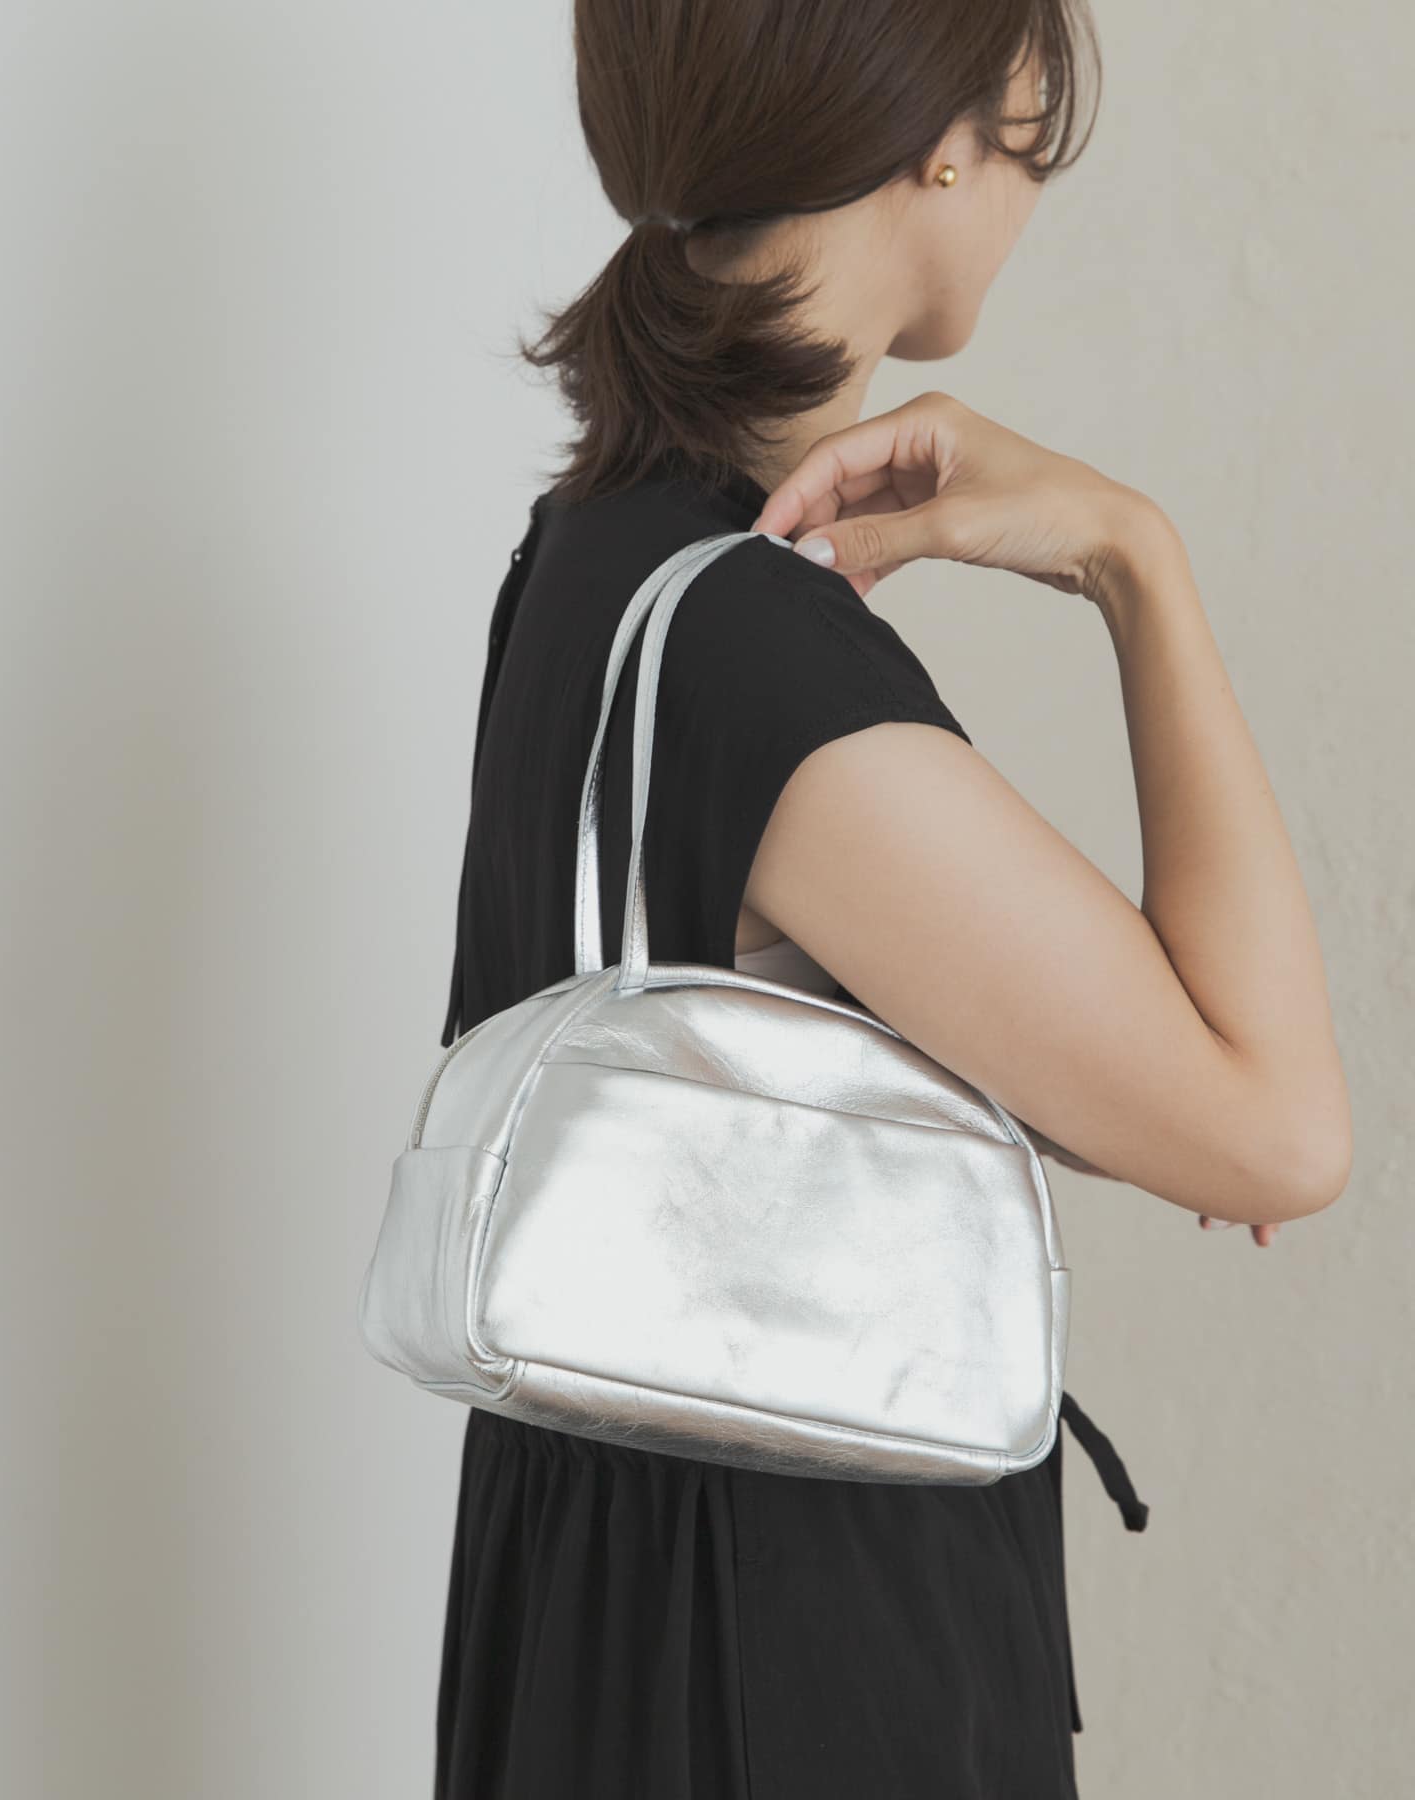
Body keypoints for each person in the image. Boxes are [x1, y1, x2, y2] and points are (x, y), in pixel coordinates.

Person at [430, 3, 1354, 1795]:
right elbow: (1281, 1129)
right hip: (784, 1650)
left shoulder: (596, 557)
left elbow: (810, 1055)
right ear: (951, 130)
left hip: (607, 1622)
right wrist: (1134, 558)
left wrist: (1143, 1086)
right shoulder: (747, 645)